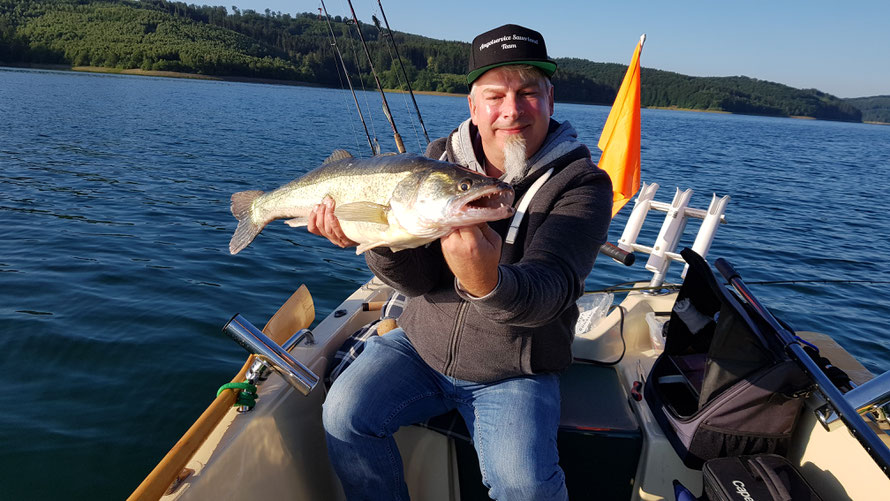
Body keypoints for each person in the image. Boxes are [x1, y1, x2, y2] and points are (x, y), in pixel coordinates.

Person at [311, 24, 612, 501]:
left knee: (526, 487)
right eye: (494, 96)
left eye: (528, 93)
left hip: (516, 371)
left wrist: (485, 281)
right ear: (473, 106)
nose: (511, 111)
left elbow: (551, 290)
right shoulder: (436, 161)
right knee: (344, 414)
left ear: (550, 100)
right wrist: (380, 242)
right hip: (419, 347)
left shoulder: (582, 186)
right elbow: (420, 282)